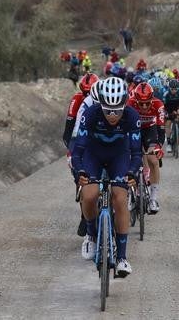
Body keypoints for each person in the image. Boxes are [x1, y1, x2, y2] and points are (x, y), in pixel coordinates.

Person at [71, 77, 142, 277]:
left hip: (118, 156)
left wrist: (133, 172)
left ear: (124, 105)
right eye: (108, 110)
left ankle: (121, 257)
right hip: (92, 155)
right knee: (90, 194)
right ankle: (91, 235)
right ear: (100, 104)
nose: (112, 115)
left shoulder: (132, 116)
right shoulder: (90, 114)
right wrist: (80, 171)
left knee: (120, 198)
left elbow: (136, 154)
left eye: (117, 110)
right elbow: (78, 151)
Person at [62, 73, 100, 236]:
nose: (87, 96)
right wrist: (71, 151)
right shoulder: (78, 100)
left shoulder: (102, 100)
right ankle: (85, 216)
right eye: (84, 92)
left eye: (89, 92)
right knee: (81, 176)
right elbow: (69, 129)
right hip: (81, 136)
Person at [128, 82, 166, 213]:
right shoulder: (130, 103)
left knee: (153, 160)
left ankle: (153, 198)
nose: (144, 106)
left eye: (147, 103)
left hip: (150, 130)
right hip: (135, 129)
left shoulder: (158, 104)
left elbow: (161, 131)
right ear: (135, 100)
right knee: (130, 156)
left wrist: (159, 147)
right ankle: (131, 193)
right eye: (141, 103)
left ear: (152, 99)